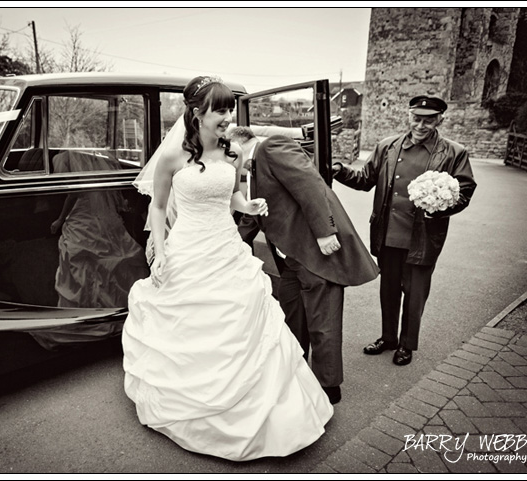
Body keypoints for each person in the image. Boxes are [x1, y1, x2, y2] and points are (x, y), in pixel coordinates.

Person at [121, 76, 334, 462]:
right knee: (190, 326)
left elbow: (232, 196)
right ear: (197, 112)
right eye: (220, 110)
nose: (227, 117)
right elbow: (157, 206)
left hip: (225, 247)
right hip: (188, 248)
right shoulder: (171, 157)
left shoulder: (232, 152)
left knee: (246, 320)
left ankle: (266, 408)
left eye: (229, 109)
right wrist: (162, 249)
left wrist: (248, 206)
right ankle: (193, 403)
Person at [230, 126, 379, 405]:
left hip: (315, 249)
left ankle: (328, 388)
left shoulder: (272, 147)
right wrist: (231, 246)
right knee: (291, 317)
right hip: (290, 257)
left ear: (239, 142)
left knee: (323, 321)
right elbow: (255, 213)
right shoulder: (249, 170)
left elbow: (310, 184)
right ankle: (297, 374)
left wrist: (325, 232)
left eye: (228, 148)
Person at [332, 95, 477, 366]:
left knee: (415, 293)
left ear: (440, 119)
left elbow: (465, 190)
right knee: (388, 290)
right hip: (388, 233)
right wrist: (340, 171)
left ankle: (407, 344)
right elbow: (365, 180)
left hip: (422, 236)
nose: (421, 125)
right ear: (408, 115)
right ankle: (388, 338)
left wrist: (442, 205)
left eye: (429, 119)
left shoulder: (454, 152)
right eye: (416, 118)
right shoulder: (387, 146)